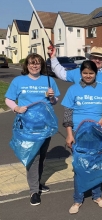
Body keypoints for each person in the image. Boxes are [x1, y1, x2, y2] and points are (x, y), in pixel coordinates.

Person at [5, 53, 60, 206]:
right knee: (33, 157)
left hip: (45, 125)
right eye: (31, 63)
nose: (34, 66)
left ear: (41, 65)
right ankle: (34, 191)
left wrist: (51, 96)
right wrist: (16, 107)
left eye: (37, 63)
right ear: (27, 65)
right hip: (27, 126)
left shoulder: (48, 80)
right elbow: (8, 99)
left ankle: (37, 182)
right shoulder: (18, 81)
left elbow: (54, 102)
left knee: (42, 156)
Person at [61, 60, 102, 214]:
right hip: (78, 133)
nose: (88, 75)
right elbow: (67, 114)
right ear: (81, 74)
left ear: (95, 73)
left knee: (96, 165)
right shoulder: (73, 89)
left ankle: (97, 195)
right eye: (85, 73)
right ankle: (78, 199)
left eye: (91, 73)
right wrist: (69, 135)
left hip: (97, 134)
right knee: (79, 167)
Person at [50, 46, 102, 129]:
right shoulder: (78, 71)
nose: (97, 60)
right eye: (94, 58)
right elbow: (62, 73)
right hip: (79, 124)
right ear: (89, 58)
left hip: (101, 122)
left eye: (100, 58)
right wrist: (53, 57)